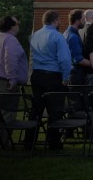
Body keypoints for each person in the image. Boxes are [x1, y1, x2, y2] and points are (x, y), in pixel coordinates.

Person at [27, 10, 72, 150]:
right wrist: (65, 77)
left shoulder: (34, 36)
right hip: (53, 76)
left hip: (37, 75)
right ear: (56, 20)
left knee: (36, 109)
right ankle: (54, 143)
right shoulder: (57, 36)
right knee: (55, 110)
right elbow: (64, 59)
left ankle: (29, 141)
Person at [0, 16, 29, 149]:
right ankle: (3, 144)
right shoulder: (10, 40)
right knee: (7, 115)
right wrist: (13, 79)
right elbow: (10, 60)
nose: (19, 25)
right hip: (5, 83)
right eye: (18, 23)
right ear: (12, 26)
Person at [64, 9, 89, 85]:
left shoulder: (67, 33)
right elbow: (78, 59)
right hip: (76, 75)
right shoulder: (73, 37)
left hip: (71, 73)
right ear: (77, 21)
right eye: (83, 19)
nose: (85, 21)